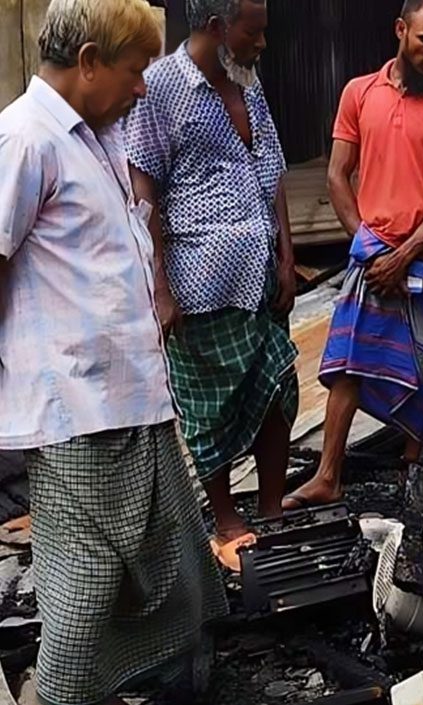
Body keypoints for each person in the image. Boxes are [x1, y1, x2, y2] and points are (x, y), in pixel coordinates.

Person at [0, 1, 228, 703]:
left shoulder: (94, 136)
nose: (141, 89)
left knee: (176, 571)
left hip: (131, 402)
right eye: (134, 72)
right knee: (87, 586)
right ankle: (60, 695)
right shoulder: (25, 140)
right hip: (78, 413)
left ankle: (160, 681)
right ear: (90, 61)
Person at [125, 0, 299, 570]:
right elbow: (143, 192)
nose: (263, 43)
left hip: (259, 276)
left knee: (279, 387)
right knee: (211, 411)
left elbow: (272, 173)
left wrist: (286, 256)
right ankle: (226, 517)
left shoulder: (248, 83)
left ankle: (272, 511)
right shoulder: (160, 88)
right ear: (216, 27)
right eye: (254, 31)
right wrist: (158, 288)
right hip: (201, 286)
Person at [281, 0, 423, 510]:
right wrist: (366, 249)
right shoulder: (358, 93)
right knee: (349, 362)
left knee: (421, 368)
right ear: (400, 30)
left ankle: (410, 476)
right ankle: (328, 475)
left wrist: (405, 254)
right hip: (373, 257)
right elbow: (337, 175)